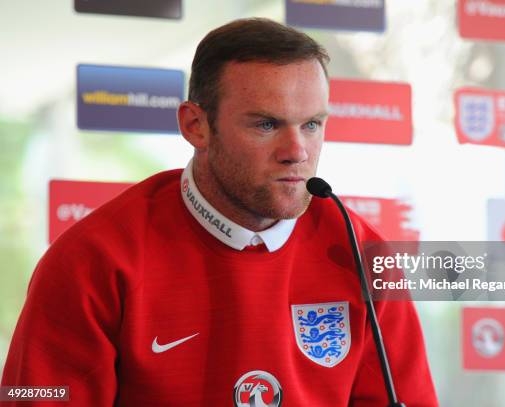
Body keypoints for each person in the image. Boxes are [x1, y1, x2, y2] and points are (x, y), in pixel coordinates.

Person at [2, 18, 437, 406]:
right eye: (266, 124)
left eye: (312, 124)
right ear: (195, 126)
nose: (297, 152)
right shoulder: (92, 258)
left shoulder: (361, 253)